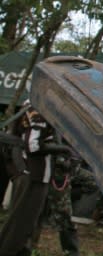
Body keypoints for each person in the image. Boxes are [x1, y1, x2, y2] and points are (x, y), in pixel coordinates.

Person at [0, 103, 55, 256]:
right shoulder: (39, 109)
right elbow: (33, 144)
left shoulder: (33, 107)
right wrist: (59, 148)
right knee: (20, 224)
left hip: (34, 174)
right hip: (32, 173)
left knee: (27, 223)